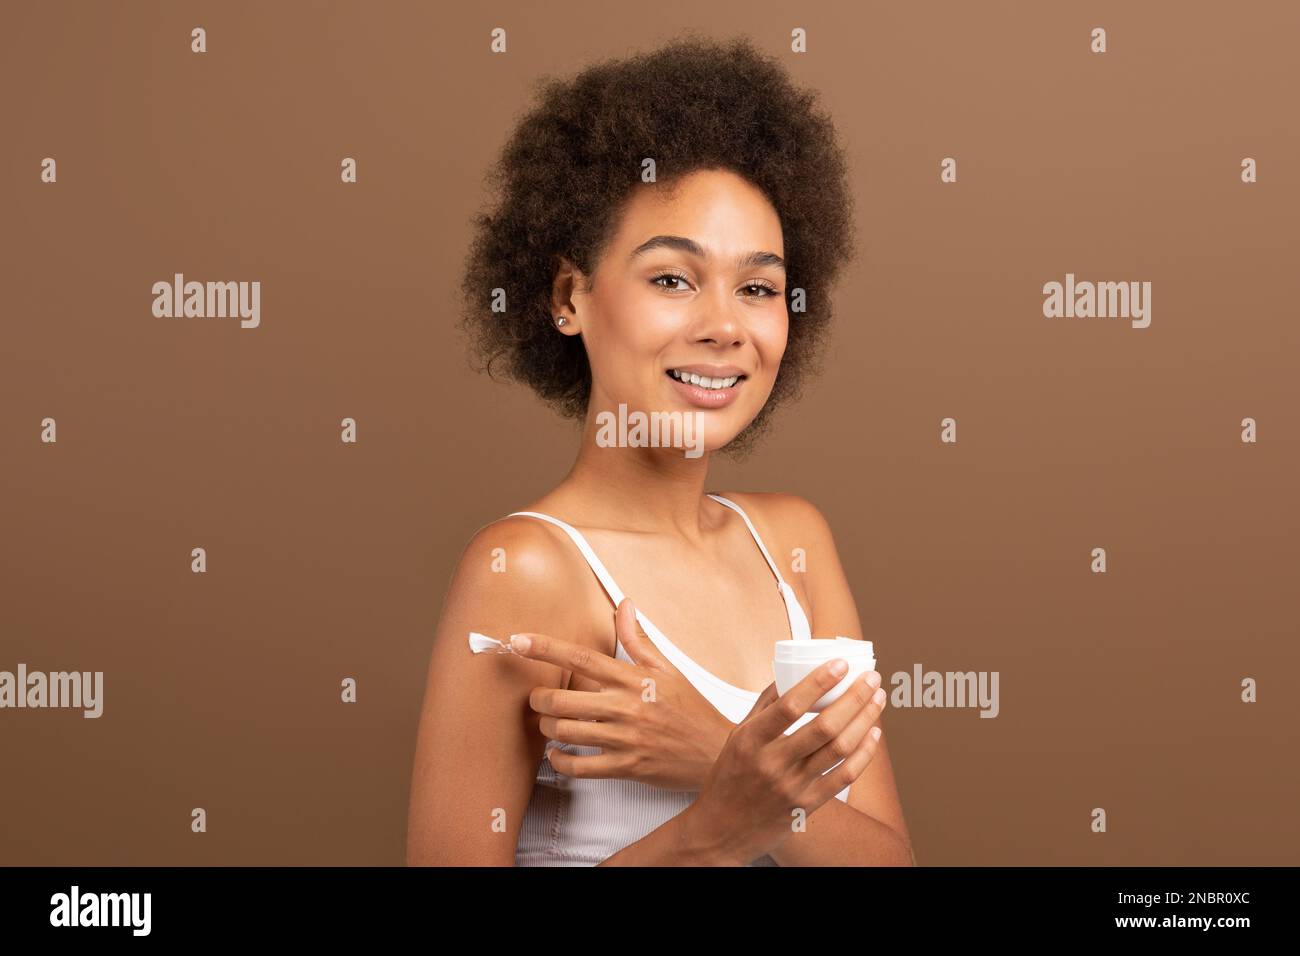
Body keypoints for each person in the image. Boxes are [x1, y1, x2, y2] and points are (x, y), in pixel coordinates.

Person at [407, 34, 913, 866]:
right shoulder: (528, 571)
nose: (723, 326)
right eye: (672, 279)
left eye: (757, 288)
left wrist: (713, 748)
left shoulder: (795, 546)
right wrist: (716, 825)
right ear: (572, 297)